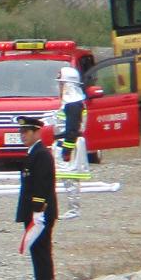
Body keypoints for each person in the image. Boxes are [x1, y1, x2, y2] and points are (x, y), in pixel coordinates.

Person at [15, 119, 58, 280]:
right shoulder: (33, 153)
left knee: (41, 248)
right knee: (36, 248)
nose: (23, 135)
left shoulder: (41, 154)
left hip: (40, 211)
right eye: (21, 132)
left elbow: (42, 184)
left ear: (37, 132)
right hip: (34, 210)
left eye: (26, 132)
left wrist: (37, 210)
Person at [57, 65, 90, 219]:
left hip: (70, 144)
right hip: (67, 142)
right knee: (66, 176)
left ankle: (73, 208)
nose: (59, 87)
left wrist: (66, 150)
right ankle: (72, 208)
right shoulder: (72, 103)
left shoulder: (73, 104)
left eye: (61, 84)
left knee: (70, 177)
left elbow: (72, 130)